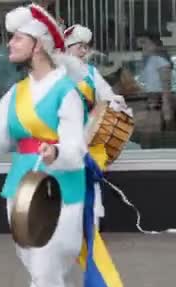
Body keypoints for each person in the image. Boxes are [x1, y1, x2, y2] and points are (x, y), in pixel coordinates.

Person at [0, 4, 96, 287]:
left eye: (18, 38)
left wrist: (55, 152)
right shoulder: (16, 92)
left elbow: (76, 148)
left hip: (62, 191)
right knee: (40, 268)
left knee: (46, 269)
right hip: (21, 189)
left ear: (37, 45)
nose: (10, 44)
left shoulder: (68, 92)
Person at [64, 23, 133, 226]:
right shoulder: (57, 73)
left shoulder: (92, 72)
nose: (84, 51)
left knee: (89, 180)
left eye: (86, 47)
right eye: (80, 46)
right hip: (63, 136)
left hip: (89, 134)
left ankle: (90, 224)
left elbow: (107, 95)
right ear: (67, 48)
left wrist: (115, 102)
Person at [137, 30, 175, 131]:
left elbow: (166, 84)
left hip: (158, 98)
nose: (141, 47)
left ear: (154, 44)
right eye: (140, 44)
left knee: (156, 126)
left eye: (144, 43)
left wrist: (166, 104)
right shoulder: (148, 60)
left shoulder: (160, 60)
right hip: (151, 98)